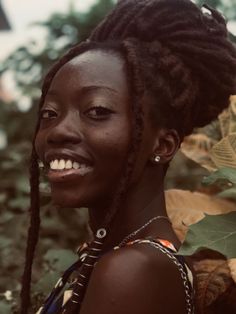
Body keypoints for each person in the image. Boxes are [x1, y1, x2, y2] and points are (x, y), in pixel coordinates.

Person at [20, 0, 236, 313]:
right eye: (50, 113)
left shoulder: (131, 270)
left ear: (162, 145)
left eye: (96, 111)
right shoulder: (114, 255)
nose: (57, 131)